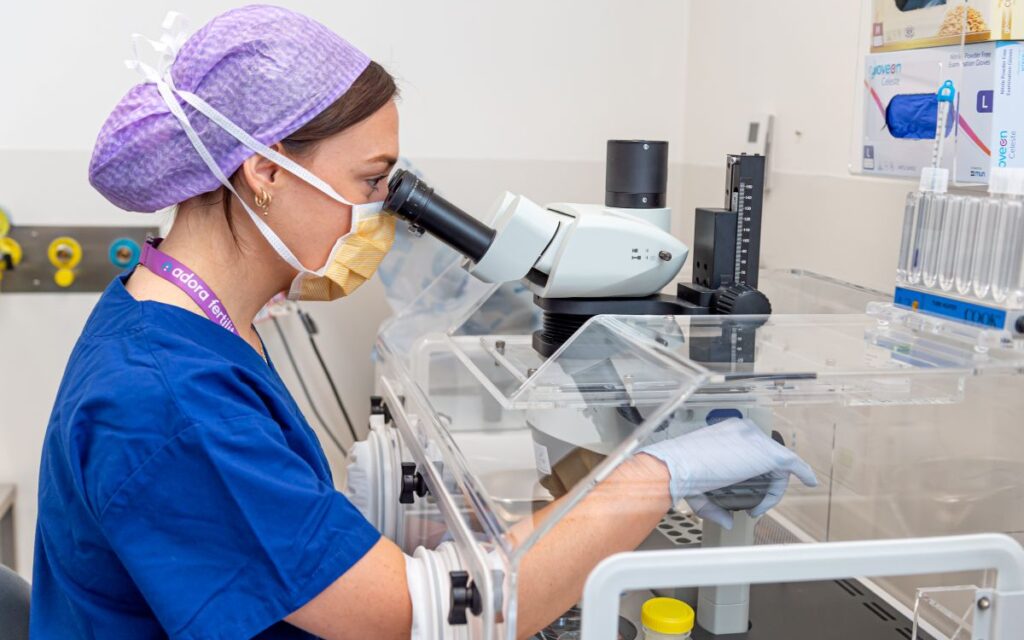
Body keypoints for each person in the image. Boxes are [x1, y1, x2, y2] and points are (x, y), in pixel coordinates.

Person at [32, 6, 816, 639]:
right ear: (266, 172)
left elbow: (279, 538)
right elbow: (409, 619)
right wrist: (657, 476)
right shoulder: (169, 400)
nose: (382, 211)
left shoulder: (183, 324)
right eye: (372, 181)